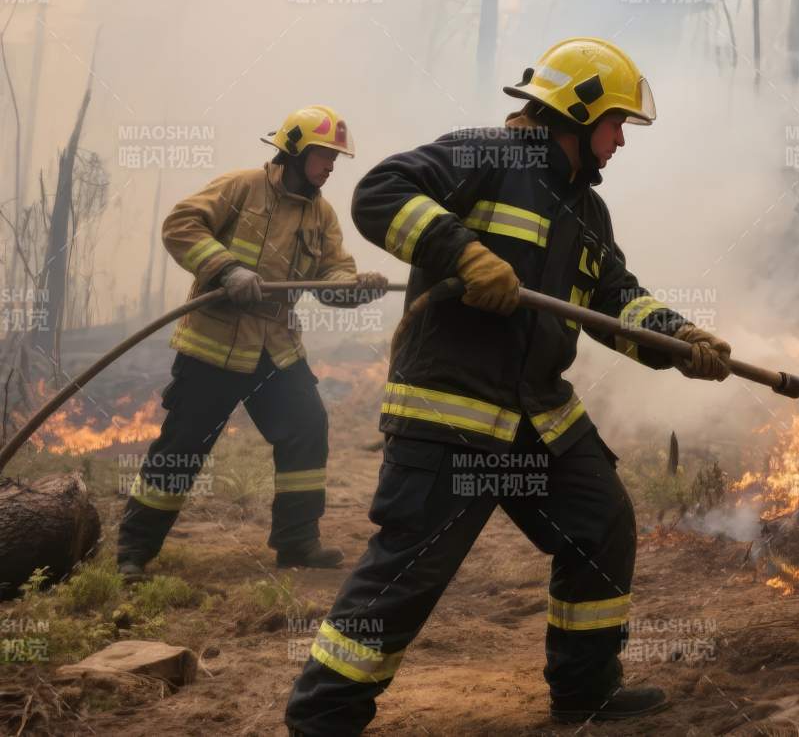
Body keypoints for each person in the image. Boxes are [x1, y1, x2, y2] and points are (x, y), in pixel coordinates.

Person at [284, 38, 732, 733]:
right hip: (452, 412)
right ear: (577, 113)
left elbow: (614, 299)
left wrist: (679, 340)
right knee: (410, 571)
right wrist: (460, 250)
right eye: (615, 123)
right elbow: (379, 193)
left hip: (537, 418)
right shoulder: (485, 155)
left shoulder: (586, 210)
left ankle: (585, 687)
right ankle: (323, 716)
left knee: (600, 523)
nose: (620, 141)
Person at [117, 105, 388, 578]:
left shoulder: (321, 215)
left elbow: (334, 276)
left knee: (306, 429)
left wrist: (354, 289)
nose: (330, 168)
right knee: (182, 447)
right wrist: (227, 268)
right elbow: (180, 225)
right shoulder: (242, 187)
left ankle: (297, 542)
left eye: (335, 160)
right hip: (214, 346)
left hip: (275, 350)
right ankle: (134, 552)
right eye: (325, 156)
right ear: (296, 149)